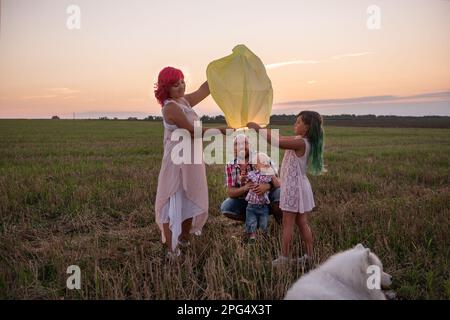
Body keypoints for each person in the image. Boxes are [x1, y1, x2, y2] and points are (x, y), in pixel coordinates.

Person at [154, 66, 226, 259]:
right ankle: (172, 250)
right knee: (173, 203)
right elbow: (190, 131)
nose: (181, 86)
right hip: (177, 161)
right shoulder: (170, 107)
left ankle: (184, 240)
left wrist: (225, 69)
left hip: (192, 159)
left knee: (188, 197)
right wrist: (221, 130)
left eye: (182, 81)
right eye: (175, 84)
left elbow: (205, 89)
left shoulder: (183, 100)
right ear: (165, 88)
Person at [247, 110, 325, 266]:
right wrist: (262, 127)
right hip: (299, 186)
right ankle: (309, 256)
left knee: (288, 223)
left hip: (293, 188)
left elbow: (277, 143)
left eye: (298, 122)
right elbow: (280, 138)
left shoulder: (301, 143)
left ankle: (284, 258)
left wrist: (256, 128)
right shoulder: (301, 140)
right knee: (302, 222)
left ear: (307, 127)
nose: (294, 124)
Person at [220, 134, 283, 226]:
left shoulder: (260, 158)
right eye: (237, 144)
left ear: (249, 145)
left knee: (279, 193)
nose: (241, 146)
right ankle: (253, 221)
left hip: (267, 198)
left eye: (244, 143)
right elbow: (231, 192)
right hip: (248, 201)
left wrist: (267, 186)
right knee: (226, 207)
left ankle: (281, 223)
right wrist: (246, 187)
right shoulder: (230, 165)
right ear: (234, 148)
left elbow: (278, 182)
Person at [244, 152, 278, 242]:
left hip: (263, 206)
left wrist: (272, 173)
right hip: (251, 205)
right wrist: (242, 178)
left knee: (264, 223)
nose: (266, 163)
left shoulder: (269, 175)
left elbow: (277, 184)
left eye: (267, 161)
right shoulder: (252, 174)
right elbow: (245, 180)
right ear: (256, 166)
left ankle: (264, 237)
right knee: (251, 222)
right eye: (262, 162)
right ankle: (252, 237)